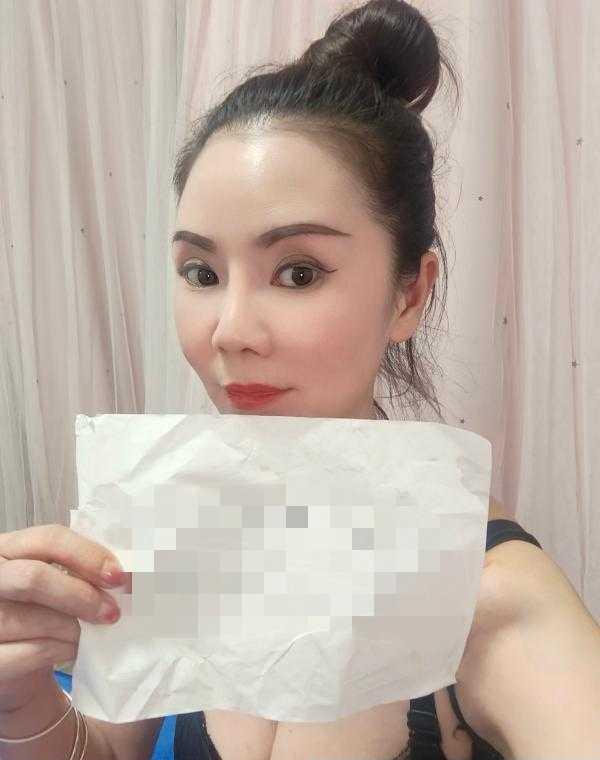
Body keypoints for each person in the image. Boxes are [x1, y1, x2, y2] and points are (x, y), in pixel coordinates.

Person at [0, 1, 560, 759]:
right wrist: (22, 699)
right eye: (201, 273)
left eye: (298, 272)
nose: (229, 331)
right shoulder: (169, 531)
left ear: (409, 294)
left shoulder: (487, 593)